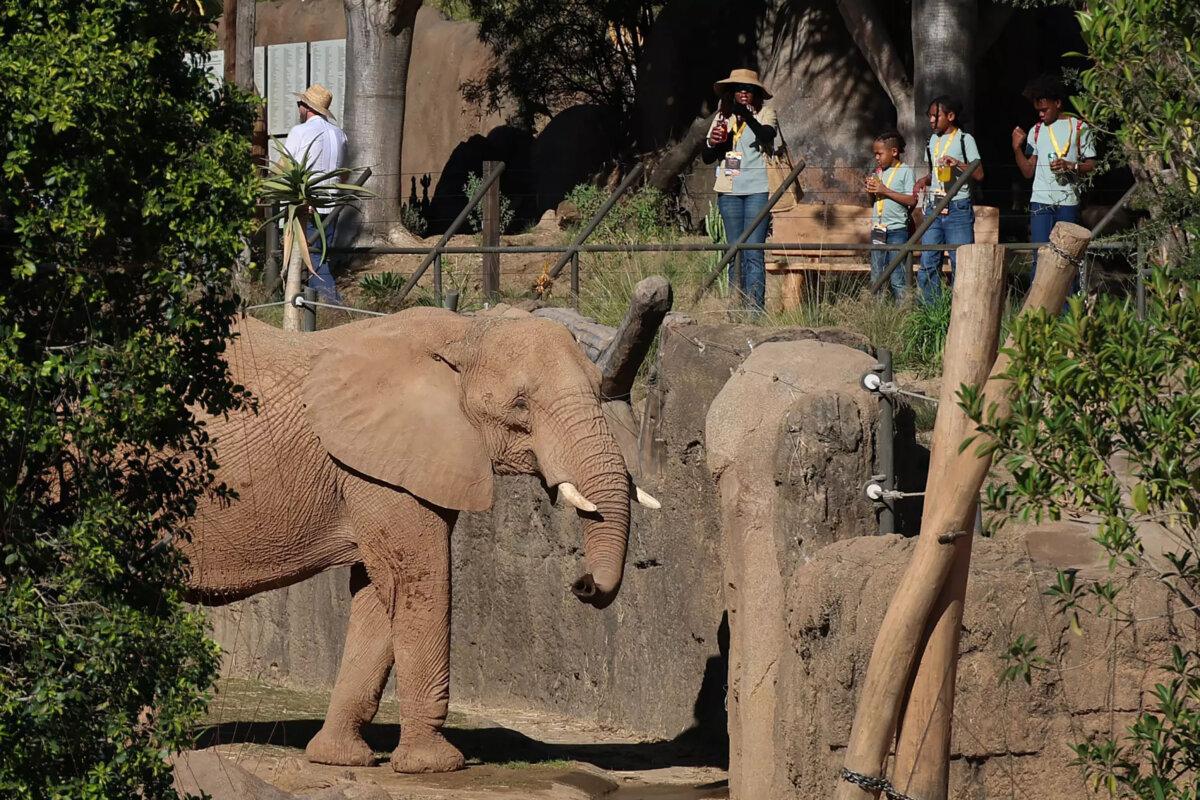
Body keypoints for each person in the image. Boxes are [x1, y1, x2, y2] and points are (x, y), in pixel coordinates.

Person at [702, 68, 777, 312]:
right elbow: (707, 156)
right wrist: (714, 141)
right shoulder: (722, 117)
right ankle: (736, 308)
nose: (744, 92)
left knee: (753, 251)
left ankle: (755, 311)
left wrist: (746, 116)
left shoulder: (767, 113)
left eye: (749, 89)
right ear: (732, 93)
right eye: (739, 89)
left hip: (758, 190)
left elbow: (767, 135)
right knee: (734, 252)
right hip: (729, 191)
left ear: (756, 93)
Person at [1012, 74, 1096, 277]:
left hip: (1068, 201)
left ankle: (1068, 308)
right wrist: (1016, 148)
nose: (1041, 114)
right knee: (1040, 255)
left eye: (1044, 109)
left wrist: (1071, 166)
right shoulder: (1036, 131)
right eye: (1038, 111)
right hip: (1040, 202)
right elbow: (1027, 171)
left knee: (1067, 258)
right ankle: (1037, 305)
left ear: (1057, 103)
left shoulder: (1079, 127)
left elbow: (1092, 164)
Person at [914, 96, 984, 304]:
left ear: (950, 116)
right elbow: (934, 173)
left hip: (957, 208)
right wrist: (924, 180)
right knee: (928, 260)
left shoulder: (965, 139)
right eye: (930, 117)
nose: (932, 121)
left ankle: (962, 308)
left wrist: (958, 163)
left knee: (960, 261)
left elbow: (979, 173)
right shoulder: (932, 141)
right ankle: (931, 312)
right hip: (934, 208)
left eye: (936, 116)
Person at [282, 83, 347, 303]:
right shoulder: (340, 135)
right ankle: (313, 306)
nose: (298, 106)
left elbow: (286, 168)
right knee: (320, 256)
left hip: (306, 206)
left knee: (315, 259)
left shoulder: (300, 131)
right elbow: (343, 173)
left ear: (307, 107)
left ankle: (333, 306)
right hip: (333, 206)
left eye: (300, 103)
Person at [864, 131, 917, 300]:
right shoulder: (878, 172)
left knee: (897, 278)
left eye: (880, 153)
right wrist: (870, 190)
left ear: (894, 152)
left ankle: (902, 314)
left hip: (897, 230)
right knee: (877, 276)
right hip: (878, 230)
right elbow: (873, 201)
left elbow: (912, 199)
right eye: (875, 154)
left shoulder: (906, 171)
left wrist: (884, 190)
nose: (877, 158)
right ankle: (877, 316)